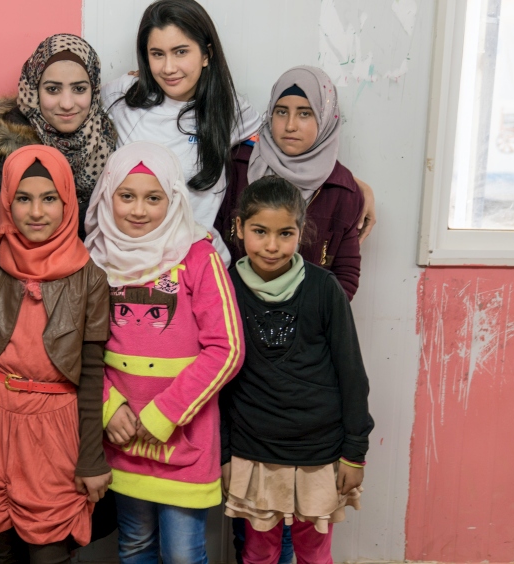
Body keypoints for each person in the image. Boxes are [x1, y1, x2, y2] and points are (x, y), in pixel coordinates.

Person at [0, 145, 112, 563]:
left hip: (54, 427)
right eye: (23, 198)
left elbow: (92, 375)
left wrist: (91, 458)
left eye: (49, 198)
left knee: (48, 548)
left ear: (68, 202)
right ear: (7, 203)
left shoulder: (89, 277)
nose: (36, 211)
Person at [85, 141, 244, 563]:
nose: (139, 210)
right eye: (127, 196)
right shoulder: (93, 260)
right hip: (121, 438)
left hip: (182, 439)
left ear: (172, 200)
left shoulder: (198, 255)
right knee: (134, 544)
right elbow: (79, 350)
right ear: (107, 196)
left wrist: (165, 413)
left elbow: (226, 349)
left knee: (183, 554)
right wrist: (107, 407)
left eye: (153, 198)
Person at [220, 176, 374, 564]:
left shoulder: (324, 288)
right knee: (258, 553)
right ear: (238, 228)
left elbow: (352, 374)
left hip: (320, 451)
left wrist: (355, 453)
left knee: (313, 553)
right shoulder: (224, 287)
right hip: (253, 450)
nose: (272, 246)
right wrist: (222, 453)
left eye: (285, 233)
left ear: (301, 232)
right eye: (259, 231)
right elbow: (217, 382)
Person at [101, 0, 262, 263]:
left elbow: (290, 142)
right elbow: (65, 110)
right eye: (157, 54)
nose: (168, 68)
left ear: (206, 55)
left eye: (181, 52)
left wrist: (350, 182)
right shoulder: (123, 96)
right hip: (129, 266)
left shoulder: (228, 109)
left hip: (199, 266)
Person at [216, 66, 364, 300]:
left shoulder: (343, 191)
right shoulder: (237, 166)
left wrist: (313, 321)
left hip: (306, 326)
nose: (290, 125)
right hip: (233, 315)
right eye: (281, 112)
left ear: (325, 117)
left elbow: (345, 275)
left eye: (305, 113)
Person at [0, 34, 117, 235]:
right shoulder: (6, 145)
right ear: (34, 90)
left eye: (79, 89)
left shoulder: (105, 139)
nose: (67, 104)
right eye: (53, 89)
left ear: (93, 90)